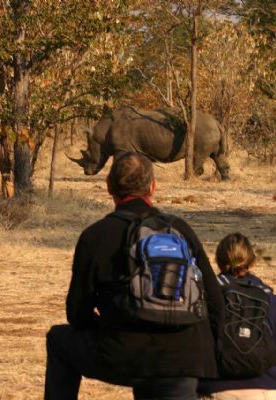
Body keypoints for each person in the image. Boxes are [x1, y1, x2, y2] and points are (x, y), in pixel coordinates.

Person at [44, 152, 225, 400]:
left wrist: (112, 323)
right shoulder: (180, 230)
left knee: (58, 340)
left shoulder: (95, 236)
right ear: (153, 187)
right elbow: (215, 304)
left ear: (108, 187)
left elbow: (77, 314)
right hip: (186, 358)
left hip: (123, 354)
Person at [198, 233, 276, 400]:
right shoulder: (271, 300)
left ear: (218, 262)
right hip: (268, 390)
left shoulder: (206, 298)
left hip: (218, 389)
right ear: (252, 261)